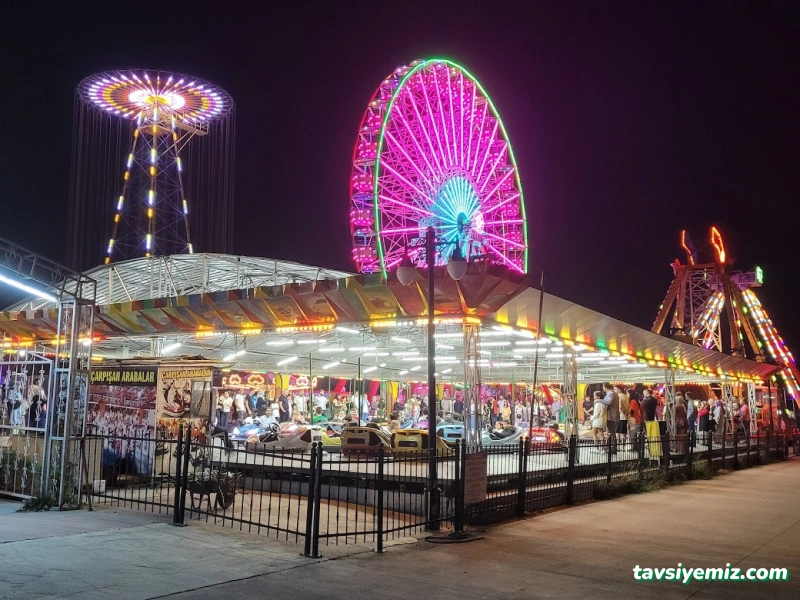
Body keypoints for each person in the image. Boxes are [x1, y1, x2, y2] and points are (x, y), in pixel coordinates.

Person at [600, 383, 619, 454]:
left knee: (611, 432)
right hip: (612, 416)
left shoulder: (611, 394)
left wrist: (599, 400)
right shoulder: (612, 393)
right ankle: (610, 447)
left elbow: (608, 402)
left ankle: (612, 448)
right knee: (610, 432)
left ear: (605, 387)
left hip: (611, 416)